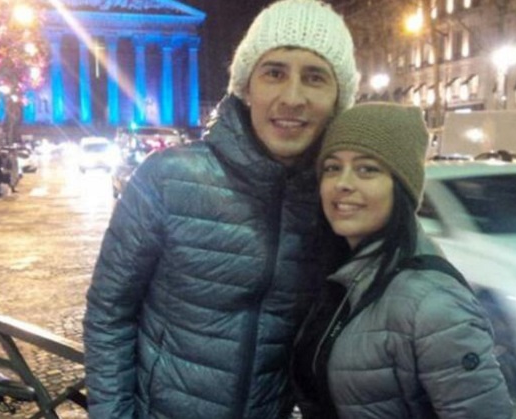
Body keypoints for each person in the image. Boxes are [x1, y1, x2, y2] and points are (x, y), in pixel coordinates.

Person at [83, 0, 359, 417]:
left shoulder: (337, 203)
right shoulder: (165, 178)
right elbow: (109, 313)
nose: (292, 97)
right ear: (247, 87)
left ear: (338, 98)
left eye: (315, 77)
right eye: (274, 73)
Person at [291, 103, 513, 419]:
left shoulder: (432, 304)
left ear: (402, 186)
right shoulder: (341, 277)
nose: (343, 183)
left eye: (367, 169)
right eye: (332, 168)